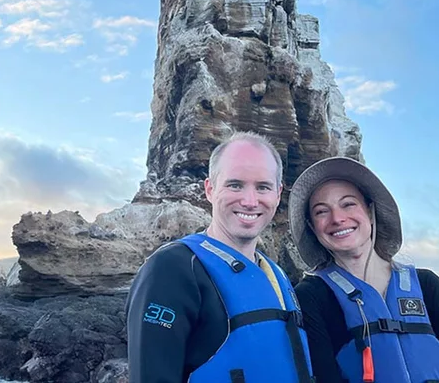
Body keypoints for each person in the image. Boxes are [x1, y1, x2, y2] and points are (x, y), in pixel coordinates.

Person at [125, 131, 315, 383]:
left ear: (278, 194)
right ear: (209, 189)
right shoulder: (173, 268)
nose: (250, 201)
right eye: (235, 185)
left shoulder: (275, 274)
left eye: (263, 187)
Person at [288, 156, 439, 383]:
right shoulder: (311, 296)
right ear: (312, 226)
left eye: (348, 204)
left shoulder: (428, 285)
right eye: (322, 211)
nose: (338, 218)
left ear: (370, 211)